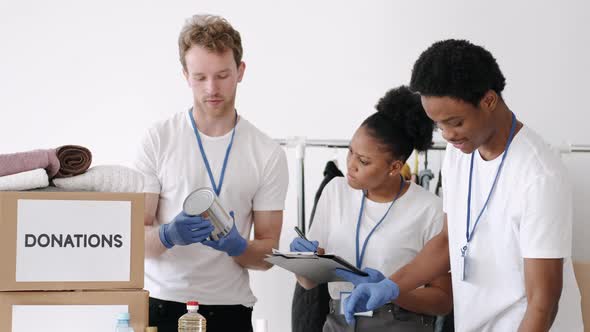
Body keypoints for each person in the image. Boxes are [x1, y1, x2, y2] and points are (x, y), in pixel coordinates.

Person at [344, 39, 584, 331]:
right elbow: (448, 240)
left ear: (489, 100)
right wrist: (391, 285)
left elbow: (542, 303)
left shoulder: (538, 175)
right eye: (438, 125)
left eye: (455, 122)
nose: (447, 135)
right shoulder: (460, 153)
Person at [134, 14, 289, 332]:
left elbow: (268, 254)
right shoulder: (159, 138)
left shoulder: (267, 152)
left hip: (229, 308)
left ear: (240, 71)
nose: (212, 88)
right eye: (200, 77)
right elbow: (134, 239)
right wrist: (167, 235)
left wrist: (239, 247)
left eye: (222, 75)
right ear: (185, 75)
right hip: (162, 303)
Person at [290, 86, 453, 331]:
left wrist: (390, 292)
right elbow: (308, 283)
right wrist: (302, 261)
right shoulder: (335, 191)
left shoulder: (428, 208)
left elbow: (443, 302)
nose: (351, 165)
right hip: (338, 322)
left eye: (364, 161)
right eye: (351, 152)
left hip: (398, 323)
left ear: (395, 167)